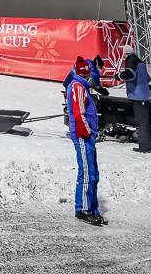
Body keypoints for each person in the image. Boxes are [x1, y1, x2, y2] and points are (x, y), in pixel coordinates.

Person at [65, 56, 106, 225]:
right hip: (83, 135)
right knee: (87, 172)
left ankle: (92, 207)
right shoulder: (77, 87)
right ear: (86, 73)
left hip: (88, 135)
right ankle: (83, 209)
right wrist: (88, 132)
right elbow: (78, 114)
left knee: (93, 172)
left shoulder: (81, 86)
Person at [118, 50, 151, 153]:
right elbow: (147, 78)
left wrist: (120, 76)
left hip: (138, 96)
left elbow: (130, 74)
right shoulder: (140, 61)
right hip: (145, 96)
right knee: (146, 121)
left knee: (141, 122)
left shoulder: (130, 60)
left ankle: (144, 147)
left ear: (126, 53)